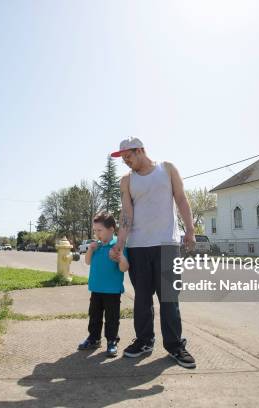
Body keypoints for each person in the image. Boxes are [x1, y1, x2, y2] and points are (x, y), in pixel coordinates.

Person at [109, 137, 196, 369]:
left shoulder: (167, 168)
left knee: (169, 297)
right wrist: (121, 242)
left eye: (128, 156)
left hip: (167, 244)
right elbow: (126, 213)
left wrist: (190, 230)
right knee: (142, 299)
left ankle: (175, 345)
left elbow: (181, 200)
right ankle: (145, 341)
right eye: (123, 158)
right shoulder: (127, 181)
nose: (126, 162)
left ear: (140, 150)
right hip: (138, 247)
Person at [78, 212, 129, 357]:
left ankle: (112, 341)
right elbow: (87, 262)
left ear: (112, 229)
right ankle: (94, 338)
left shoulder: (118, 245)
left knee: (112, 318)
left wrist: (120, 258)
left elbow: (124, 268)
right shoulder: (96, 246)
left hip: (112, 291)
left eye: (99, 230)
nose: (97, 233)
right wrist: (90, 249)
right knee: (94, 316)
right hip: (96, 288)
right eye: (95, 230)